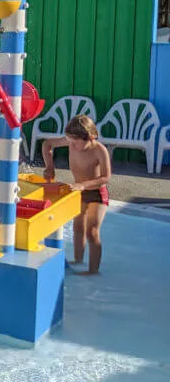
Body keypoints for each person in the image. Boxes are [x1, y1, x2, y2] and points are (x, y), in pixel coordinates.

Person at [42, 114, 112, 274]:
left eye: (75, 143)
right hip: (79, 190)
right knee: (78, 227)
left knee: (92, 231)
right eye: (69, 142)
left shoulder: (99, 150)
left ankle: (94, 271)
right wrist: (50, 166)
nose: (71, 146)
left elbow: (106, 177)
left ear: (90, 137)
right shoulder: (71, 140)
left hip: (96, 193)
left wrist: (83, 185)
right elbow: (47, 144)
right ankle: (79, 260)